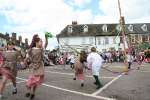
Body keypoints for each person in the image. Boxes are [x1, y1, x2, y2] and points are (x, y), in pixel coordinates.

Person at [25, 34, 48, 100]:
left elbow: (46, 44)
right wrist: (25, 61)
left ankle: (33, 93)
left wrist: (46, 38)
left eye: (42, 41)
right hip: (33, 66)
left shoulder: (41, 49)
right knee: (31, 79)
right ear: (36, 42)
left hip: (39, 66)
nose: (42, 43)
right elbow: (27, 56)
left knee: (36, 81)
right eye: (41, 41)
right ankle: (29, 91)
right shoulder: (31, 49)